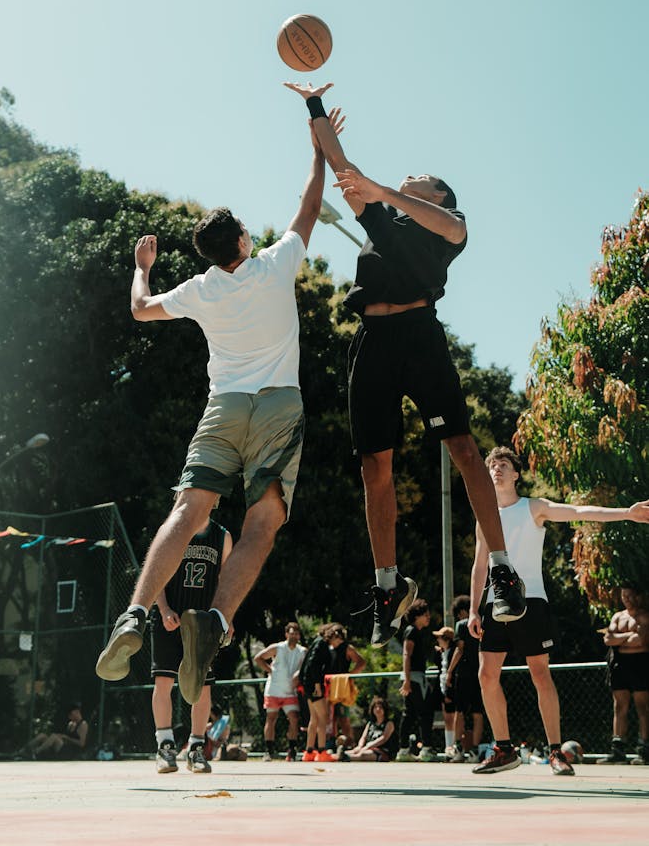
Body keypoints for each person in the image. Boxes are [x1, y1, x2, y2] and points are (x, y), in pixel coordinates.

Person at [96, 106, 343, 705]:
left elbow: (140, 310)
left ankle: (133, 614)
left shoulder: (201, 289)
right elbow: (311, 203)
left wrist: (142, 269)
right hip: (277, 407)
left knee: (188, 511)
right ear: (243, 240)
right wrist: (318, 147)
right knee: (263, 522)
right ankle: (216, 620)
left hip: (223, 406)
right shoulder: (276, 263)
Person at [285, 81, 526, 649]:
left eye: (423, 175)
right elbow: (342, 165)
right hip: (373, 340)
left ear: (439, 194)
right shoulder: (381, 220)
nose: (412, 174)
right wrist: (314, 106)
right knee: (374, 466)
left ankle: (502, 570)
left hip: (420, 336)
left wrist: (381, 188)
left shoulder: (449, 225)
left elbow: (448, 224)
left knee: (463, 448)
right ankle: (388, 586)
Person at [470, 446, 649, 776]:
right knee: (486, 675)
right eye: (492, 465)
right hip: (495, 605)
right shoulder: (485, 516)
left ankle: (556, 752)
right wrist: (473, 609)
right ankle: (504, 750)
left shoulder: (533, 507)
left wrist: (627, 512)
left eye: (503, 464)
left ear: (516, 474)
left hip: (532, 601)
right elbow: (480, 564)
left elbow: (579, 510)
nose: (496, 469)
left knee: (540, 674)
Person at [151, 517, 232, 775]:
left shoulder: (222, 536)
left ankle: (196, 748)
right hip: (170, 617)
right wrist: (164, 609)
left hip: (203, 621)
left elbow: (226, 580)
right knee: (163, 681)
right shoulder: (171, 529)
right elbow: (156, 573)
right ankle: (165, 747)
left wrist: (226, 617)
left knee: (203, 686)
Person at [596, 586, 649, 765]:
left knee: (643, 706)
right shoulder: (618, 616)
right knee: (619, 706)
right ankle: (617, 749)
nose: (627, 599)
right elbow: (608, 639)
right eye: (624, 595)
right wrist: (628, 637)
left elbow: (639, 640)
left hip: (640, 663)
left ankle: (645, 749)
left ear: (637, 596)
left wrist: (619, 639)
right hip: (620, 664)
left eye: (630, 595)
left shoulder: (644, 616)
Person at [254, 621, 307, 761]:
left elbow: (304, 667)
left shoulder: (302, 651)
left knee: (294, 719)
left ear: (299, 635)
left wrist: (299, 675)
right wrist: (270, 670)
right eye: (291, 633)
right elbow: (258, 658)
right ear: (286, 634)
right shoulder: (277, 648)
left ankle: (292, 750)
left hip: (290, 691)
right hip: (274, 689)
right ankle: (269, 751)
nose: (294, 636)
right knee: (271, 718)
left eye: (296, 634)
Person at [396, 599, 437, 761]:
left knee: (410, 714)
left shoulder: (417, 632)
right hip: (414, 678)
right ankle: (426, 748)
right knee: (425, 712)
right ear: (416, 616)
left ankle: (403, 749)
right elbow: (406, 655)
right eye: (425, 615)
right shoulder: (411, 631)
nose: (428, 617)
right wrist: (407, 680)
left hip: (415, 677)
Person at [445, 594, 483, 763]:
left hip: (464, 673)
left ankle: (458, 748)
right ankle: (475, 750)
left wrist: (449, 671)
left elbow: (459, 649)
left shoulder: (461, 625)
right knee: (477, 713)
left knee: (459, 711)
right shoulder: (482, 623)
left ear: (461, 612)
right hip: (479, 671)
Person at [299, 624, 342, 761]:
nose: (339, 643)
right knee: (323, 717)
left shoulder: (317, 642)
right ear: (334, 636)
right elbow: (313, 665)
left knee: (314, 717)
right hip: (314, 684)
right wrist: (318, 685)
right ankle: (322, 751)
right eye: (339, 640)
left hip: (307, 684)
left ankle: (309, 751)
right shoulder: (322, 645)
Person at [326, 623, 366, 748]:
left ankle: (350, 744)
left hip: (342, 688)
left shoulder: (347, 648)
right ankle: (331, 744)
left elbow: (361, 662)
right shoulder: (327, 648)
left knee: (344, 718)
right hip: (329, 686)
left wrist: (350, 675)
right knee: (330, 718)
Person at [336, 697, 395, 762]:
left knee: (363, 754)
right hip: (368, 748)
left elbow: (384, 738)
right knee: (355, 751)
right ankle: (339, 755)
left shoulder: (389, 723)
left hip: (382, 751)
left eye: (380, 707)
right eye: (375, 707)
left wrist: (369, 746)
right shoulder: (370, 724)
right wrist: (360, 746)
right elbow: (363, 737)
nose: (377, 709)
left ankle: (345, 757)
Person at [433, 625, 457, 755]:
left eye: (440, 638)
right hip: (442, 686)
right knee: (447, 718)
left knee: (453, 717)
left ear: (446, 639)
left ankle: (454, 745)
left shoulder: (453, 652)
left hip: (450, 687)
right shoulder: (442, 652)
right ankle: (448, 746)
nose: (438, 640)